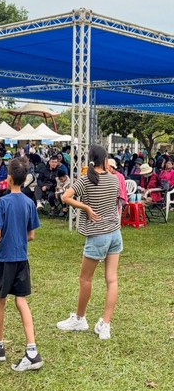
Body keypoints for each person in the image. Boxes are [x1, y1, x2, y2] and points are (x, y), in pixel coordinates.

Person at [58, 144, 122, 340]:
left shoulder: (86, 180)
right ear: (105, 159)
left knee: (85, 279)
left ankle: (80, 318)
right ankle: (105, 324)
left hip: (97, 235)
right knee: (112, 280)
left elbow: (65, 197)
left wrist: (85, 207)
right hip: (115, 233)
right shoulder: (114, 179)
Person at [0, 157, 43, 371]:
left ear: (9, 178)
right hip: (21, 258)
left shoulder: (2, 203)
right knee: (21, 300)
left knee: (1, 300)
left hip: (4, 258)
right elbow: (31, 235)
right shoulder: (29, 203)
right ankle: (32, 350)